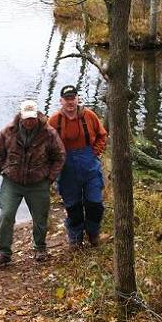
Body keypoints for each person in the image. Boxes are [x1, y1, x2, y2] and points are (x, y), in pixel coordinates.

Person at [0, 100, 65, 266]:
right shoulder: (7, 132)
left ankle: (40, 247)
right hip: (12, 181)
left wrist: (50, 178)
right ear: (21, 116)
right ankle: (3, 252)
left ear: (37, 116)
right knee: (6, 215)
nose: (30, 121)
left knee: (40, 217)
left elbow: (60, 156)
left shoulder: (49, 133)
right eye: (27, 118)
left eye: (32, 118)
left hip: (38, 182)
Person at [48, 85, 108, 250]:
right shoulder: (54, 120)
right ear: (61, 101)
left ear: (77, 99)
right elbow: (46, 144)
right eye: (66, 99)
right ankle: (75, 239)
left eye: (73, 98)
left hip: (90, 167)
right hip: (67, 170)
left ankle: (93, 234)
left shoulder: (89, 115)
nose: (70, 102)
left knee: (95, 203)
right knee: (73, 207)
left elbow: (102, 135)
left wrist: (95, 152)